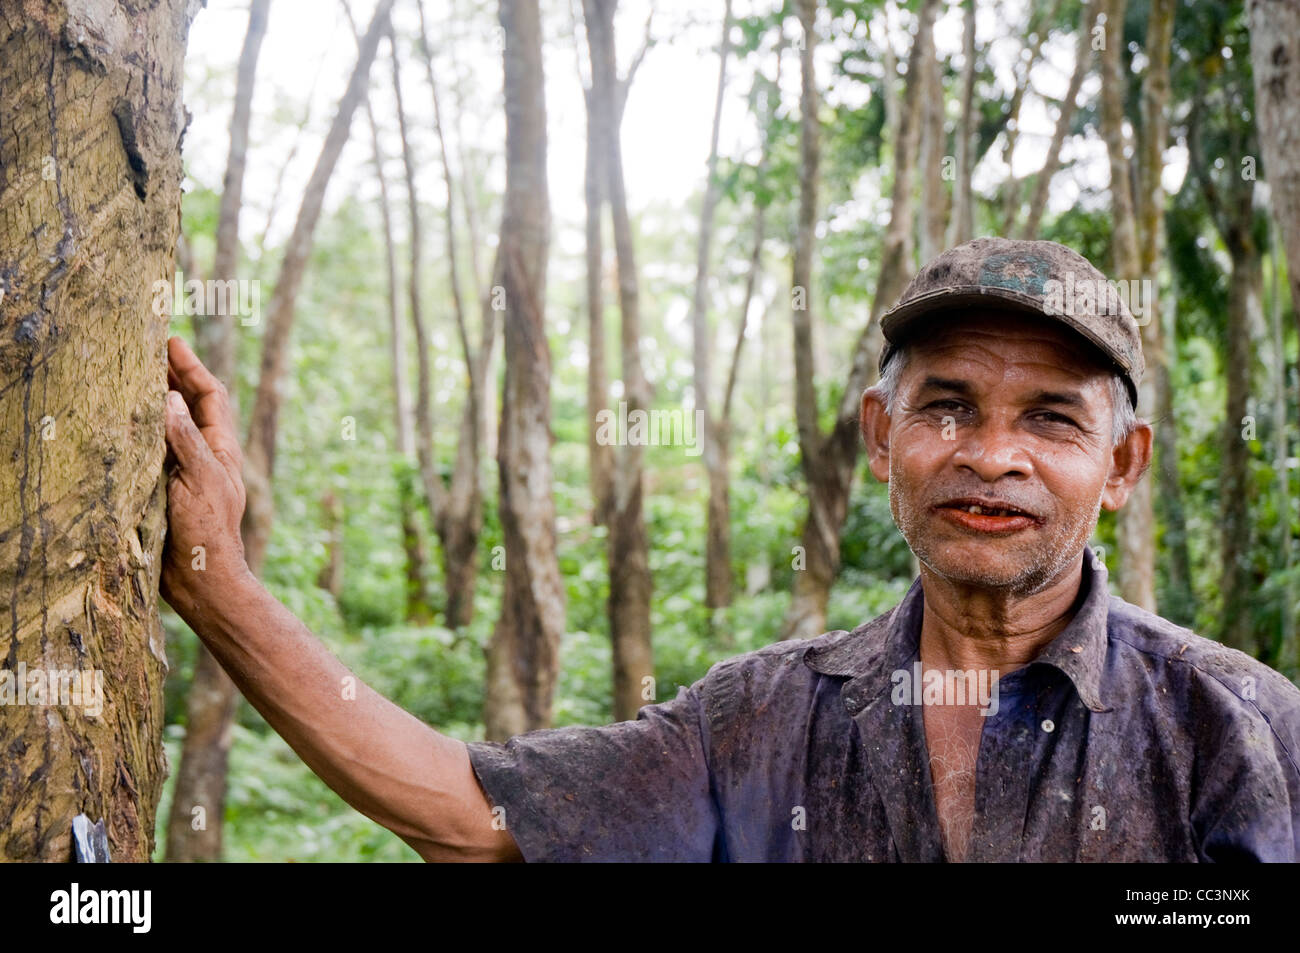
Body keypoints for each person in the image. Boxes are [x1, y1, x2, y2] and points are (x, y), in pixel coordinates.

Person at [161, 237, 1300, 862]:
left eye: (1051, 418)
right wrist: (216, 582)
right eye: (945, 404)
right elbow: (471, 816)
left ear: (1123, 465)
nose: (990, 453)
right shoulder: (760, 720)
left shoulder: (1244, 729)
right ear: (879, 436)